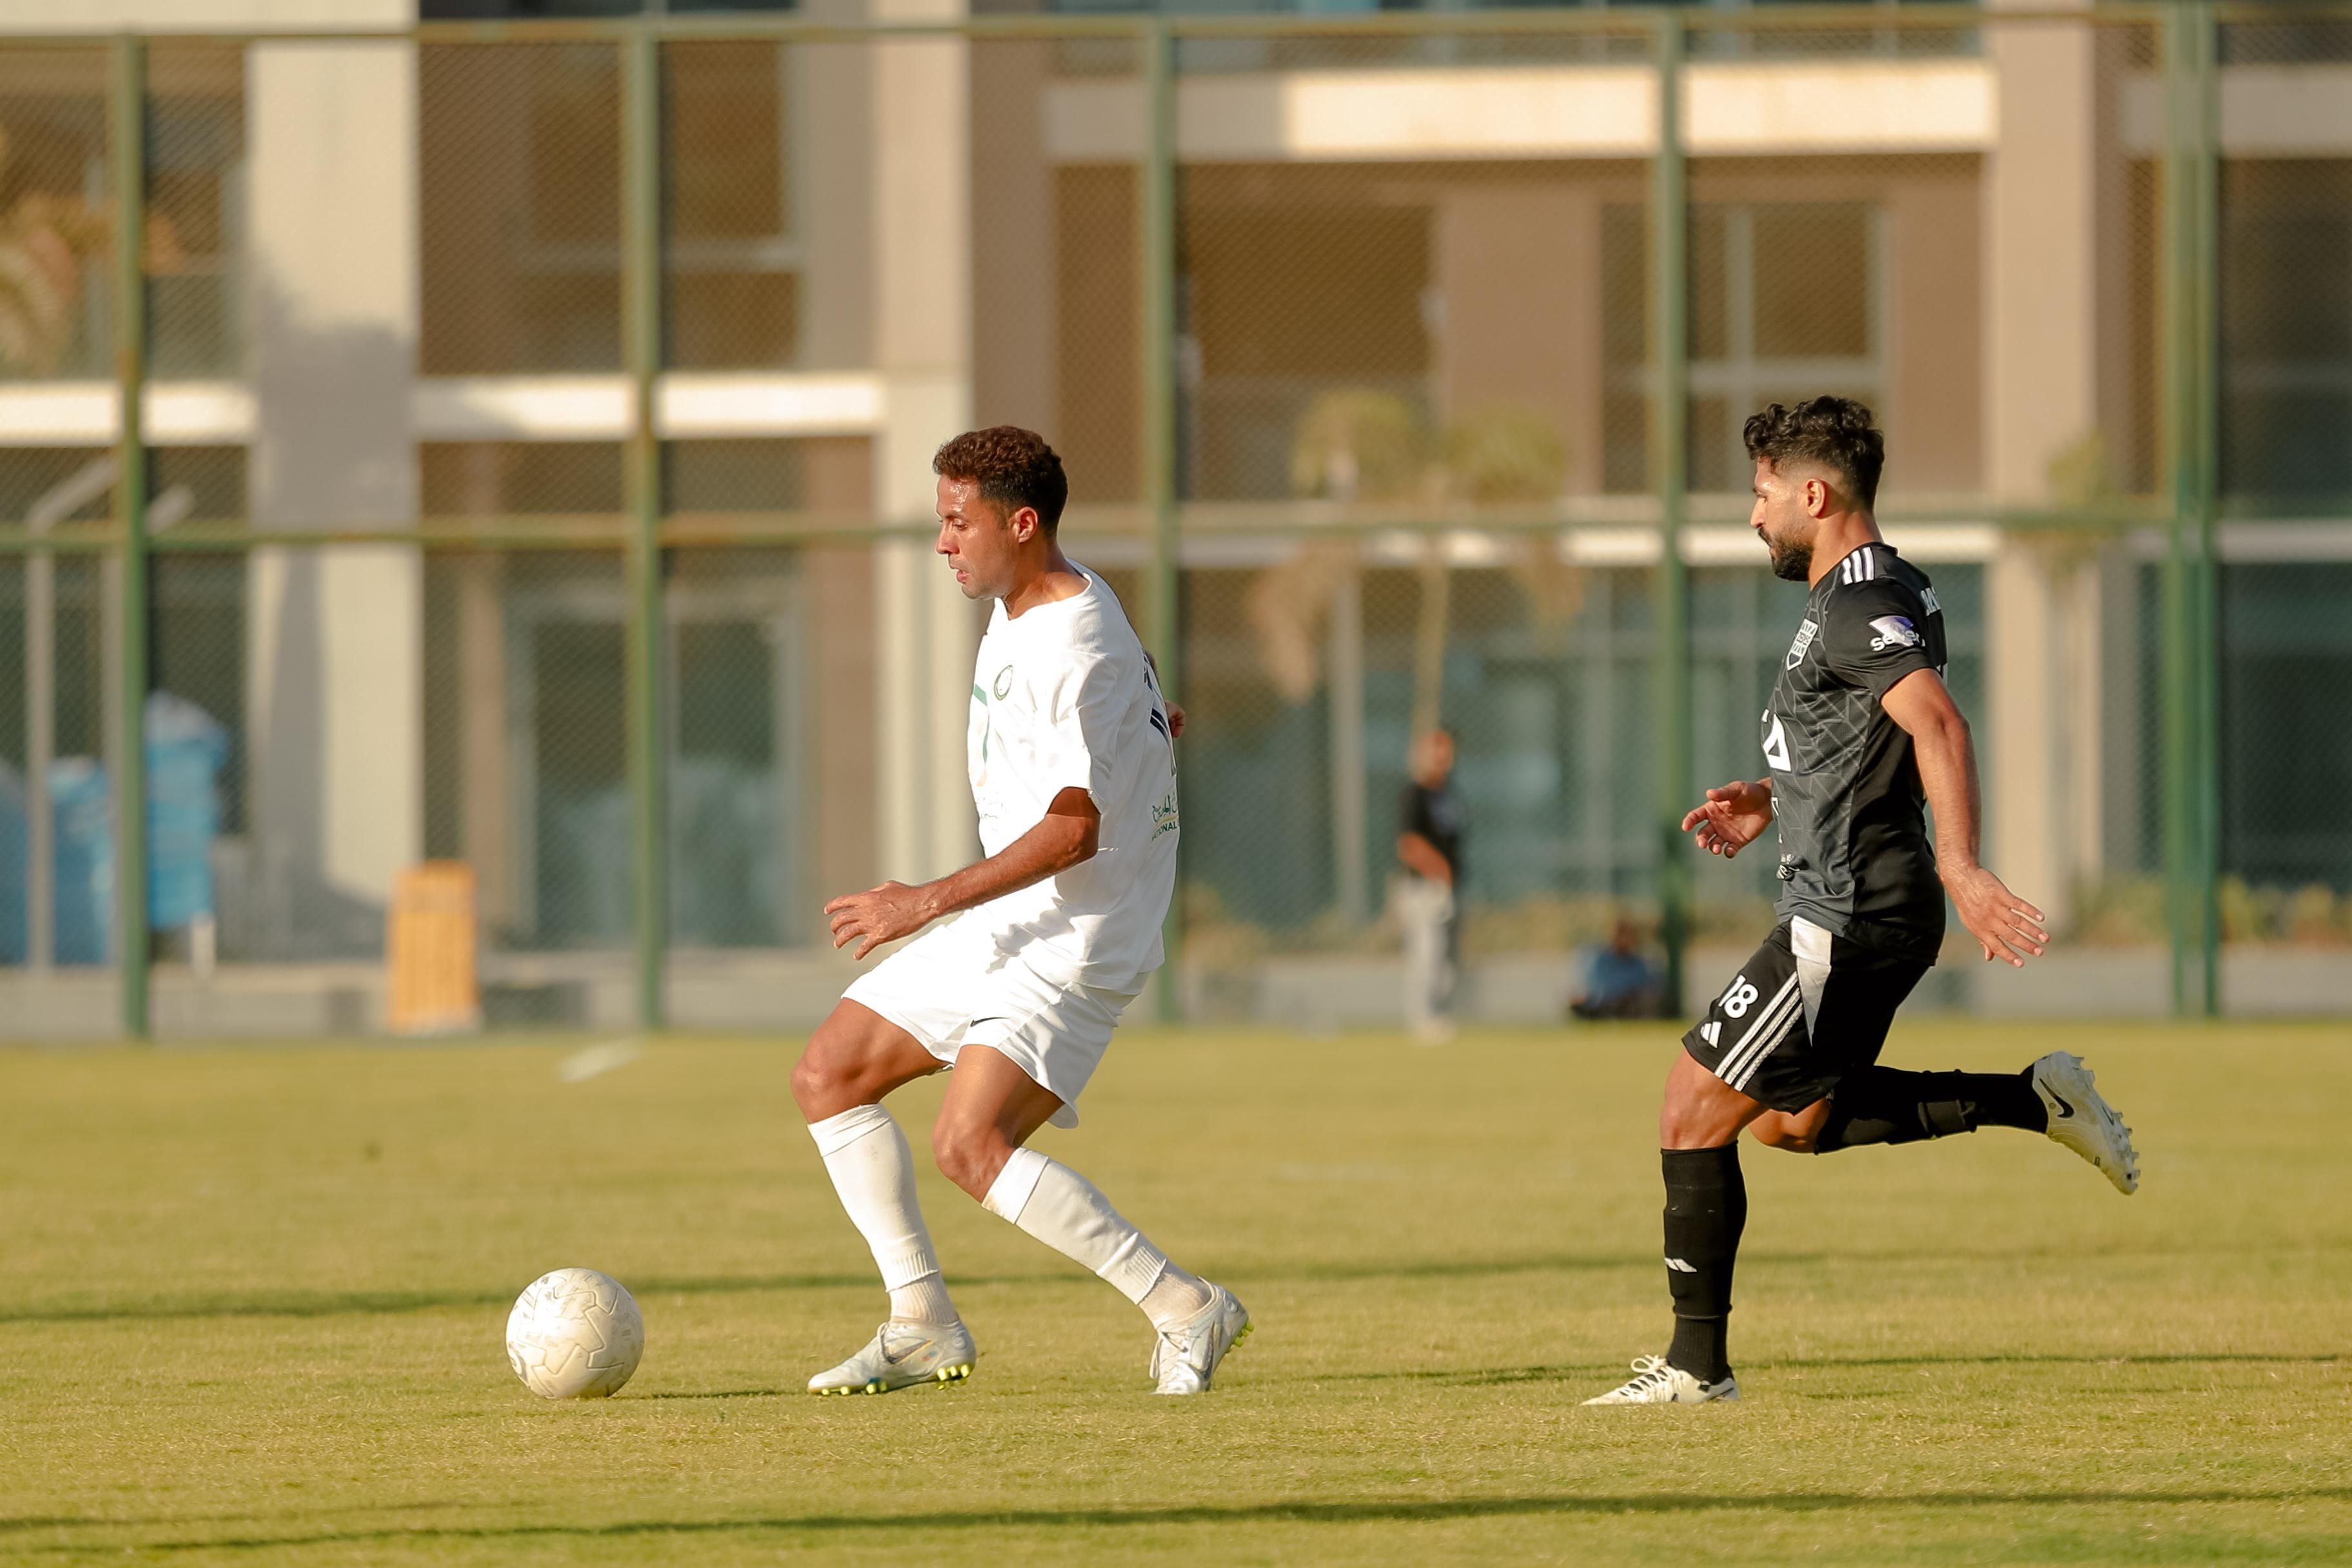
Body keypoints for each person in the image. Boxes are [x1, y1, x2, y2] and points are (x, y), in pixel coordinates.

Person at [1585, 398, 2141, 1407]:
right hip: (1861, 901)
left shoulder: (1855, 601)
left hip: (1845, 912)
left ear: (1814, 493)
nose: (1754, 516)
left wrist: (1965, 864)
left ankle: (1695, 1371)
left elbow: (1936, 722)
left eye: (1761, 495)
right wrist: (1772, 796)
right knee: (1789, 1124)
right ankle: (2035, 1098)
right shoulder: (1881, 589)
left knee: (1687, 1111)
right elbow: (1870, 731)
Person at [790, 427, 1248, 1397]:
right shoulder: (1047, 594)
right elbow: (1120, 687)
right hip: (1011, 922)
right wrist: (1146, 721)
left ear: (1021, 522)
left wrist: (922, 900)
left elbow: (1069, 833)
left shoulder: (1071, 644)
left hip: (1075, 940)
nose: (944, 544)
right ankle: (921, 1322)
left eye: (958, 523)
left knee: (969, 1146)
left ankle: (1184, 1308)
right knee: (828, 1074)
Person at [1396, 727, 1466, 1043]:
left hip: (1452, 888)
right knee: (1426, 953)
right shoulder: (1415, 794)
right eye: (1437, 750)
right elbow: (1408, 843)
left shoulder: (1450, 794)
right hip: (1424, 888)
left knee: (1448, 958)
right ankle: (1421, 1018)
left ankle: (1441, 1016)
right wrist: (1437, 869)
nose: (1443, 758)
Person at [1569, 916, 1663, 1021]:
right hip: (1603, 1004)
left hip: (1625, 1006)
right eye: (1622, 934)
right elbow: (1597, 988)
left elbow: (1643, 986)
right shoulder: (1602, 960)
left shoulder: (1637, 964)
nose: (1625, 939)